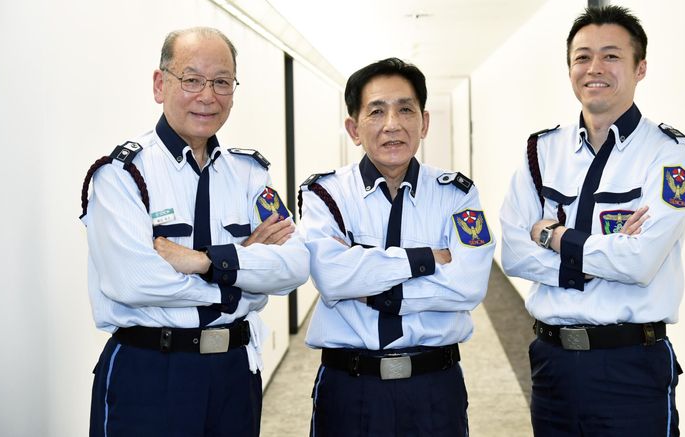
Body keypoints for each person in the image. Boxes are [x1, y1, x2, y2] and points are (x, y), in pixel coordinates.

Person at [81, 27, 310, 437]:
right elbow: (133, 281)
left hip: (234, 372)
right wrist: (241, 274)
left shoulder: (250, 174)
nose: (208, 96)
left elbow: (294, 266)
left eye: (222, 82)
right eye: (191, 80)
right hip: (150, 371)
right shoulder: (123, 175)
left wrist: (203, 261)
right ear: (160, 84)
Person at [500, 5, 685, 437]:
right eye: (582, 57)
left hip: (630, 366)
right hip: (552, 364)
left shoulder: (667, 154)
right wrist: (603, 256)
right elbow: (513, 254)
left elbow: (639, 262)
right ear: (569, 68)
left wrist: (553, 235)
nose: (594, 68)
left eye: (611, 56)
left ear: (640, 68)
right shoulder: (541, 151)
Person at [299, 57, 494, 437]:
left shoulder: (457, 195)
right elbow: (333, 278)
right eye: (377, 111)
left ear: (424, 123)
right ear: (354, 129)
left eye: (405, 109)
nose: (392, 124)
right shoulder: (326, 194)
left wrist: (367, 282)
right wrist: (426, 260)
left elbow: (467, 286)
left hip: (434, 386)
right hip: (349, 387)